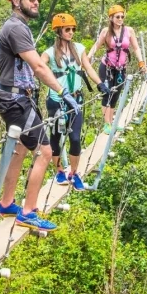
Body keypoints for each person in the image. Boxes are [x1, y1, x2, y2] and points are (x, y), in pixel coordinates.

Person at [0, 0, 81, 231]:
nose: (36, 2)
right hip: (17, 100)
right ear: (16, 1)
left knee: (20, 148)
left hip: (12, 97)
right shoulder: (16, 28)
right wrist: (63, 92)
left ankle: (6, 203)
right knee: (45, 152)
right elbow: (38, 67)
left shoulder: (12, 26)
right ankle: (28, 212)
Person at [41, 13, 109, 191]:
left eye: (72, 29)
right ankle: (59, 171)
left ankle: (74, 172)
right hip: (56, 100)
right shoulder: (49, 53)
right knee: (56, 138)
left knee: (75, 138)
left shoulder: (79, 48)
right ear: (58, 31)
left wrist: (100, 84)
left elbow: (87, 68)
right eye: (67, 29)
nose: (71, 32)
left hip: (76, 100)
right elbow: (39, 68)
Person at [88, 4, 147, 134]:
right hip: (107, 68)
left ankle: (112, 122)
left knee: (115, 95)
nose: (120, 19)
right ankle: (107, 124)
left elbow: (136, 48)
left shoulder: (129, 31)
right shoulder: (106, 31)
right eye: (117, 17)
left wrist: (141, 62)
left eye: (122, 16)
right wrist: (87, 58)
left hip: (121, 69)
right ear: (111, 18)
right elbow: (96, 46)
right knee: (107, 93)